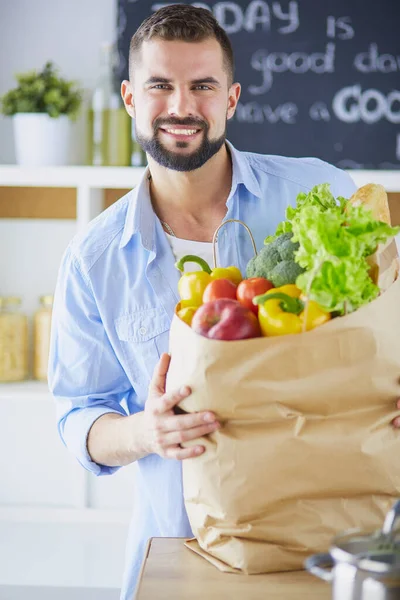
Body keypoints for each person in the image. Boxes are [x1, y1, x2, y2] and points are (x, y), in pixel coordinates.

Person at [48, 5, 400, 599]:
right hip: (185, 547)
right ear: (131, 99)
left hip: (337, 538)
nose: (181, 107)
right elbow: (77, 418)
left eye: (202, 86)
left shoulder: (324, 193)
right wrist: (147, 432)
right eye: (161, 86)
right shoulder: (94, 258)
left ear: (231, 98)